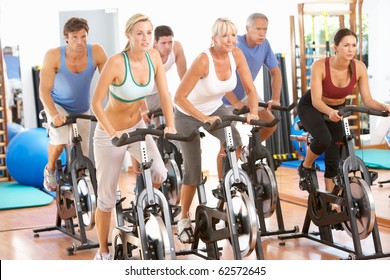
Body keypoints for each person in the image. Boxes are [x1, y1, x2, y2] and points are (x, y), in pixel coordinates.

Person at [91, 13, 176, 260]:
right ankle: (103, 253)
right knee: (106, 198)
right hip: (110, 134)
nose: (145, 38)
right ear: (128, 35)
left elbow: (165, 94)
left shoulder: (154, 57)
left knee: (160, 172)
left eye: (149, 33)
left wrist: (170, 124)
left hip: (137, 128)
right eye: (139, 33)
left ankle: (141, 209)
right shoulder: (117, 62)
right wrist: (111, 131)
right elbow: (96, 103)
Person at [174, 18, 259, 243]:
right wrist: (203, 118)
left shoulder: (236, 55)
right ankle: (183, 219)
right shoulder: (204, 60)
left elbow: (250, 88)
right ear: (214, 39)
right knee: (193, 169)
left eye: (233, 35)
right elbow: (179, 97)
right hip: (186, 113)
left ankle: (224, 186)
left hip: (214, 107)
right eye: (224, 36)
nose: (230, 40)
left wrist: (253, 111)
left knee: (235, 143)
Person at [297, 28, 390, 193]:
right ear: (335, 47)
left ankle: (332, 203)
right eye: (346, 45)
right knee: (324, 140)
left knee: (334, 159)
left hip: (338, 109)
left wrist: (384, 107)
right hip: (312, 106)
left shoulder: (359, 67)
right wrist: (329, 112)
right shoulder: (320, 65)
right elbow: (316, 100)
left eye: (354, 45)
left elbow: (367, 100)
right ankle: (305, 166)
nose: (350, 49)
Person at [39, 17, 107, 192]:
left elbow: (110, 82)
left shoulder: (97, 52)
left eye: (83, 37)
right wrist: (54, 114)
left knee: (83, 152)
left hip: (82, 107)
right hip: (58, 105)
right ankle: (50, 168)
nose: (80, 42)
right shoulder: (53, 55)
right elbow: (44, 91)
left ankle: (81, 187)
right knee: (61, 138)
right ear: (66, 37)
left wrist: (112, 108)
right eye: (75, 37)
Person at [131, 25, 187, 173]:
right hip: (139, 93)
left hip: (158, 90)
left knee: (171, 121)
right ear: (155, 43)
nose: (168, 47)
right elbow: (137, 86)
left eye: (170, 42)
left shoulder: (177, 49)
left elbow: (185, 78)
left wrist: (187, 100)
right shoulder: (147, 55)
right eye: (163, 43)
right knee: (139, 127)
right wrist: (143, 110)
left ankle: (174, 158)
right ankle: (138, 173)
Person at [223, 13, 282, 142]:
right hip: (224, 98)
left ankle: (251, 150)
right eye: (258, 29)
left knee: (270, 124)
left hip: (246, 94)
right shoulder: (234, 44)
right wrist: (235, 103)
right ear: (247, 29)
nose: (262, 33)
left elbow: (275, 72)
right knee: (229, 144)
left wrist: (275, 98)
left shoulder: (265, 44)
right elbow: (220, 80)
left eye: (265, 29)